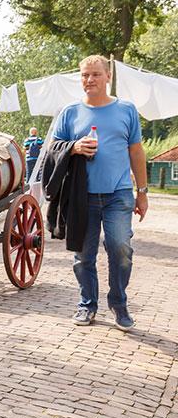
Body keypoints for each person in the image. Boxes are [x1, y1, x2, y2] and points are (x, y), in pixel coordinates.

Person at [51, 55, 148, 330]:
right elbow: (53, 148)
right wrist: (74, 147)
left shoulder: (126, 110)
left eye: (95, 74)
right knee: (83, 256)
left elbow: (136, 151)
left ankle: (119, 304)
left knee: (120, 248)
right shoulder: (70, 112)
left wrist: (142, 192)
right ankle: (87, 305)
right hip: (82, 196)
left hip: (119, 194)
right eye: (84, 75)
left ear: (108, 77)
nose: (89, 80)